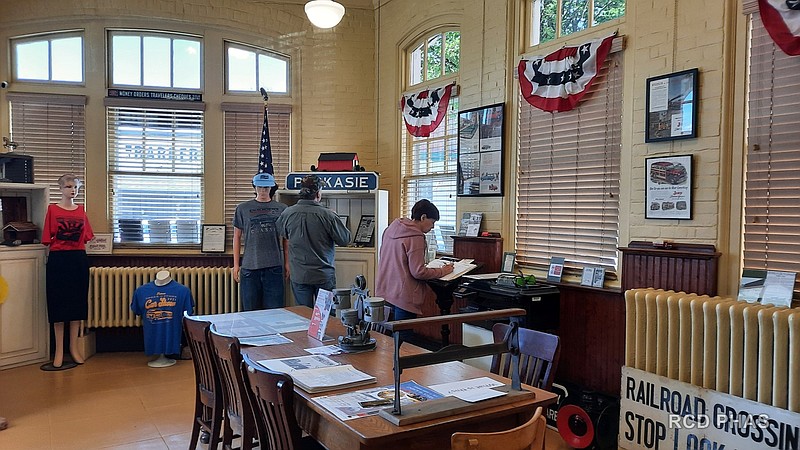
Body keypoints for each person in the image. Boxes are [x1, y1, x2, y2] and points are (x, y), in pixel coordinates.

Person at [41, 174, 94, 371]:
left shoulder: (81, 211)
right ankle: (59, 351)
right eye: (69, 186)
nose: (73, 190)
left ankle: (74, 348)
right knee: (58, 304)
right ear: (61, 188)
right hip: (58, 260)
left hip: (78, 259)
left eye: (76, 187)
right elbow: (47, 238)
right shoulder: (52, 210)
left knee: (77, 304)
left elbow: (87, 236)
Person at [277, 174, 351, 307]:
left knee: (303, 316)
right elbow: (345, 240)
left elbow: (283, 233)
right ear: (318, 193)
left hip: (299, 274)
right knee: (324, 317)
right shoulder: (328, 215)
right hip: (323, 275)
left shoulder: (287, 213)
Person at [375, 199, 454, 324]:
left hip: (385, 290)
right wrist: (443, 271)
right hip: (403, 295)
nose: (433, 226)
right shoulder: (416, 237)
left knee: (387, 338)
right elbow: (418, 272)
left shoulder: (390, 229)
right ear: (423, 217)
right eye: (432, 222)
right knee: (403, 338)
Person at [232, 173, 288, 310]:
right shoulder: (242, 209)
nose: (263, 191)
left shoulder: (282, 209)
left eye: (266, 188)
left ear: (271, 188)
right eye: (260, 187)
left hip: (274, 266)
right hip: (250, 267)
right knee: (250, 311)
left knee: (275, 312)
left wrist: (287, 263)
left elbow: (286, 239)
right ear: (255, 187)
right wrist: (236, 265)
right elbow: (237, 237)